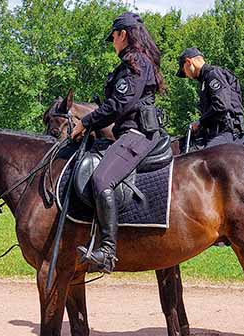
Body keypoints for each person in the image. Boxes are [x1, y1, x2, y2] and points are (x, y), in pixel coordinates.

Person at [70, 11, 165, 273]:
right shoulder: (135, 62)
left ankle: (108, 251)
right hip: (128, 132)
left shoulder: (135, 61)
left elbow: (120, 104)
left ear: (123, 34)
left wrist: (86, 122)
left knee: (102, 179)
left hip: (137, 134)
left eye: (113, 37)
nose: (113, 43)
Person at [176, 48, 244, 148]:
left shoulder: (213, 75)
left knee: (207, 158)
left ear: (188, 62)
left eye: (184, 71)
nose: (187, 75)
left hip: (229, 132)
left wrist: (200, 122)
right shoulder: (204, 80)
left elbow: (222, 105)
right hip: (214, 132)